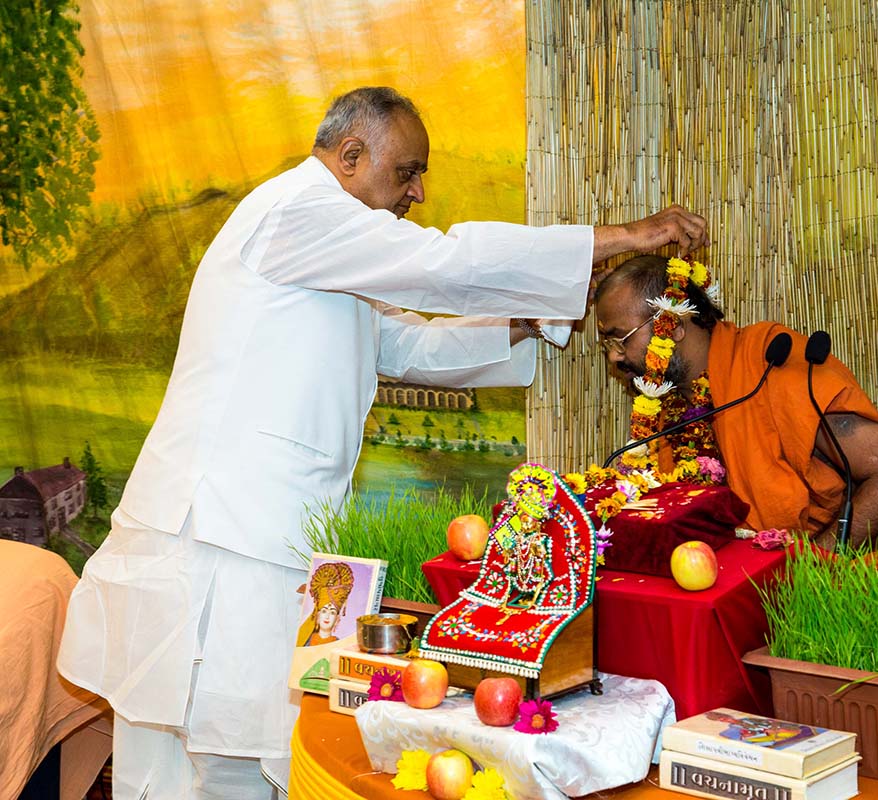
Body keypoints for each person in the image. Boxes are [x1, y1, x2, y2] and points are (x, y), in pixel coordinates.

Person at [57, 87, 708, 799]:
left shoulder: (334, 253)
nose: (419, 192)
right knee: (225, 762)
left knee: (228, 755)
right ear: (350, 156)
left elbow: (408, 346)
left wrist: (521, 320)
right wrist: (622, 236)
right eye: (408, 173)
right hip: (224, 536)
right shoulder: (299, 210)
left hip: (256, 535)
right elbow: (444, 264)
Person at [593, 255, 878, 550]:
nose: (613, 357)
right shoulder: (670, 403)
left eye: (620, 339)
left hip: (828, 575)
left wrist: (813, 569)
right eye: (607, 342)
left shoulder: (770, 363)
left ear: (674, 325)